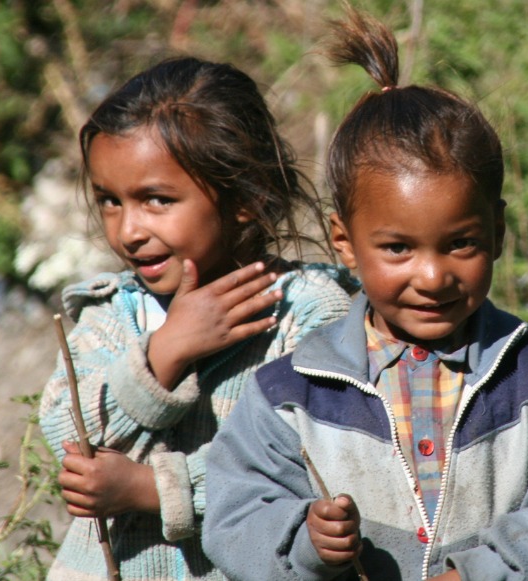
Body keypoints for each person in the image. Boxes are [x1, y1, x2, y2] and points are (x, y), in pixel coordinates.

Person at [201, 6, 528, 581]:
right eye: (398, 249)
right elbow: (237, 515)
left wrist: (483, 572)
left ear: (498, 233)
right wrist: (305, 541)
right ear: (345, 243)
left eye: (461, 244)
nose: (432, 277)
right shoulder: (290, 395)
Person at [39, 56, 357, 580]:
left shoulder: (308, 316)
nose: (128, 231)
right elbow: (66, 435)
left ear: (246, 198)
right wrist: (165, 352)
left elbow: (313, 467)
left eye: (156, 200)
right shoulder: (112, 313)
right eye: (110, 202)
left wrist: (152, 488)